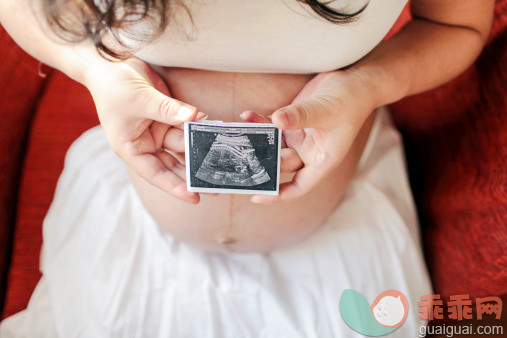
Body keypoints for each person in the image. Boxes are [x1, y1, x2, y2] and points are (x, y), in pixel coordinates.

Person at [0, 0, 494, 336]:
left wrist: (367, 85)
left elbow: (457, 23)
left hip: (343, 234)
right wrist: (94, 68)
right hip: (131, 232)